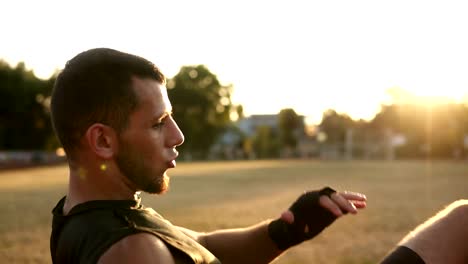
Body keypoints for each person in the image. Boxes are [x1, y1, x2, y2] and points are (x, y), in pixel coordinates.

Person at [49, 48, 367, 264]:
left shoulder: (97, 216)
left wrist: (288, 229)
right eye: (159, 123)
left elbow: (201, 243)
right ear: (103, 140)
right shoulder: (134, 251)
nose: (178, 136)